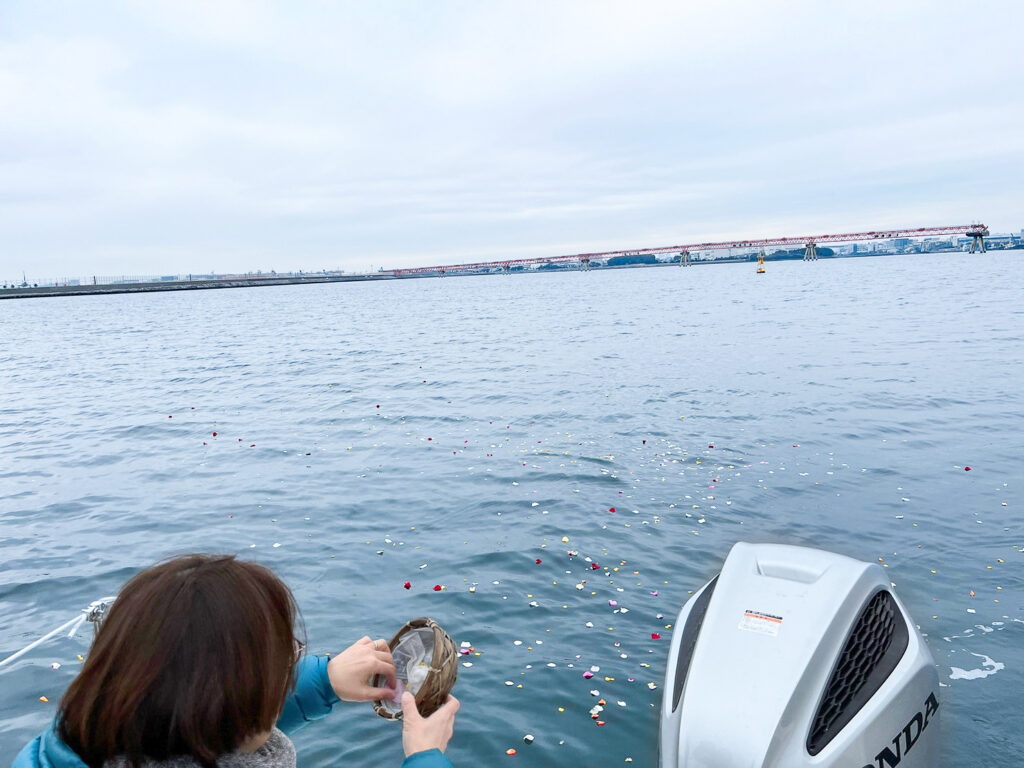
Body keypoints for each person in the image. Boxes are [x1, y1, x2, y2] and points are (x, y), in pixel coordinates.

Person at [12, 555, 459, 768]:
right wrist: (425, 759)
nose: (288, 669)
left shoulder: (78, 747)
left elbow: (191, 724)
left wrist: (323, 682)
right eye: (286, 663)